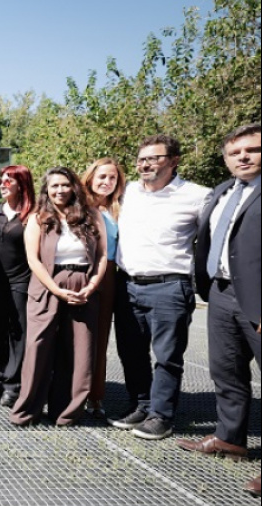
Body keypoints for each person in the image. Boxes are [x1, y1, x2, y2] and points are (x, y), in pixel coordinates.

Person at [175, 123, 261, 498]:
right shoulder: (223, 191)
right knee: (226, 371)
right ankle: (230, 439)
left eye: (252, 150)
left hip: (258, 298)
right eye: (234, 152)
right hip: (221, 293)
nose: (243, 157)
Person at [109, 135, 212, 440]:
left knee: (167, 356)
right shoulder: (127, 192)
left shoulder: (197, 196)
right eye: (141, 159)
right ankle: (141, 405)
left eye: (153, 158)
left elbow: (212, 240)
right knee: (131, 352)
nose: (145, 164)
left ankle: (161, 416)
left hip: (170, 287)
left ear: (174, 160)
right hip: (128, 285)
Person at [10, 167, 107, 427]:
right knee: (38, 348)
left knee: (78, 351)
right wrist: (56, 289)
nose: (60, 190)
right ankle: (27, 410)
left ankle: (66, 412)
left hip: (83, 286)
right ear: (47, 190)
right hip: (47, 286)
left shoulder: (92, 215)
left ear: (74, 187)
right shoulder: (38, 218)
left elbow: (102, 255)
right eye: (54, 186)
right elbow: (33, 259)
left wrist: (92, 285)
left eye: (65, 185)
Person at [0, 165, 35, 408]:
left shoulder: (33, 216)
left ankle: (13, 384)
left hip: (21, 281)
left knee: (17, 334)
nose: (2, 185)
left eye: (8, 181)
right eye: (0, 181)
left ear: (22, 184)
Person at [81, 158, 126, 418]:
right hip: (78, 270)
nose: (106, 182)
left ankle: (95, 396)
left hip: (108, 273)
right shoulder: (78, 205)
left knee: (99, 338)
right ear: (90, 178)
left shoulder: (120, 209)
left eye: (112, 178)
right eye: (102, 176)